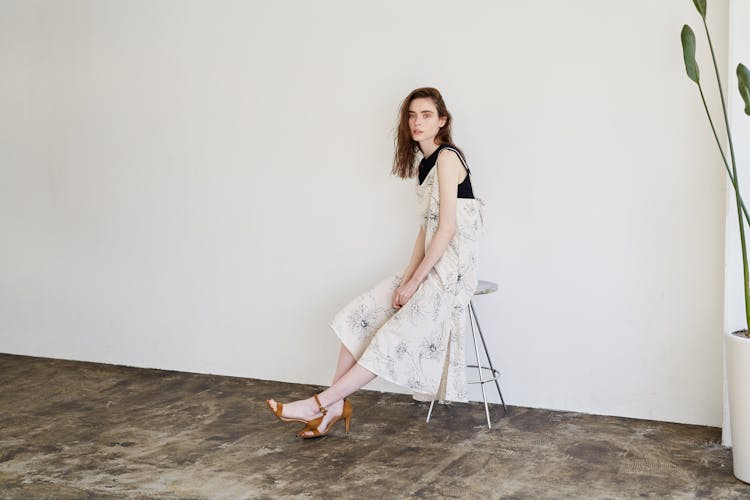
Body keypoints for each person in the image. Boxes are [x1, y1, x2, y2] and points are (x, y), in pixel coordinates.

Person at [266, 87, 485, 438]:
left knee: (390, 337)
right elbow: (423, 233)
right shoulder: (424, 165)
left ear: (442, 120)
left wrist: (414, 283)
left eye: (426, 115)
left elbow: (446, 230)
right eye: (412, 116)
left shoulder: (447, 158)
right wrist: (406, 278)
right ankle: (334, 407)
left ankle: (319, 404)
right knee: (360, 314)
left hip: (453, 268)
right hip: (432, 260)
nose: (417, 122)